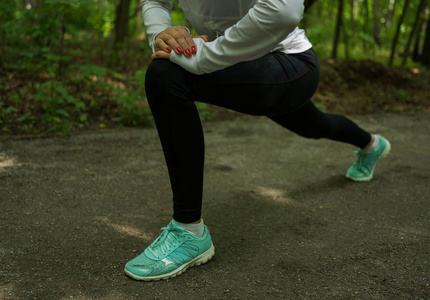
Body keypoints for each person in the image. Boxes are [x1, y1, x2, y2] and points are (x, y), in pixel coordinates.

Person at [124, 0, 391, 281]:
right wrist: (161, 34)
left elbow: (284, 9)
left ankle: (189, 231)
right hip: (235, 61)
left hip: (288, 64)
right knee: (313, 125)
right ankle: (372, 144)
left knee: (166, 76)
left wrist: (205, 55)